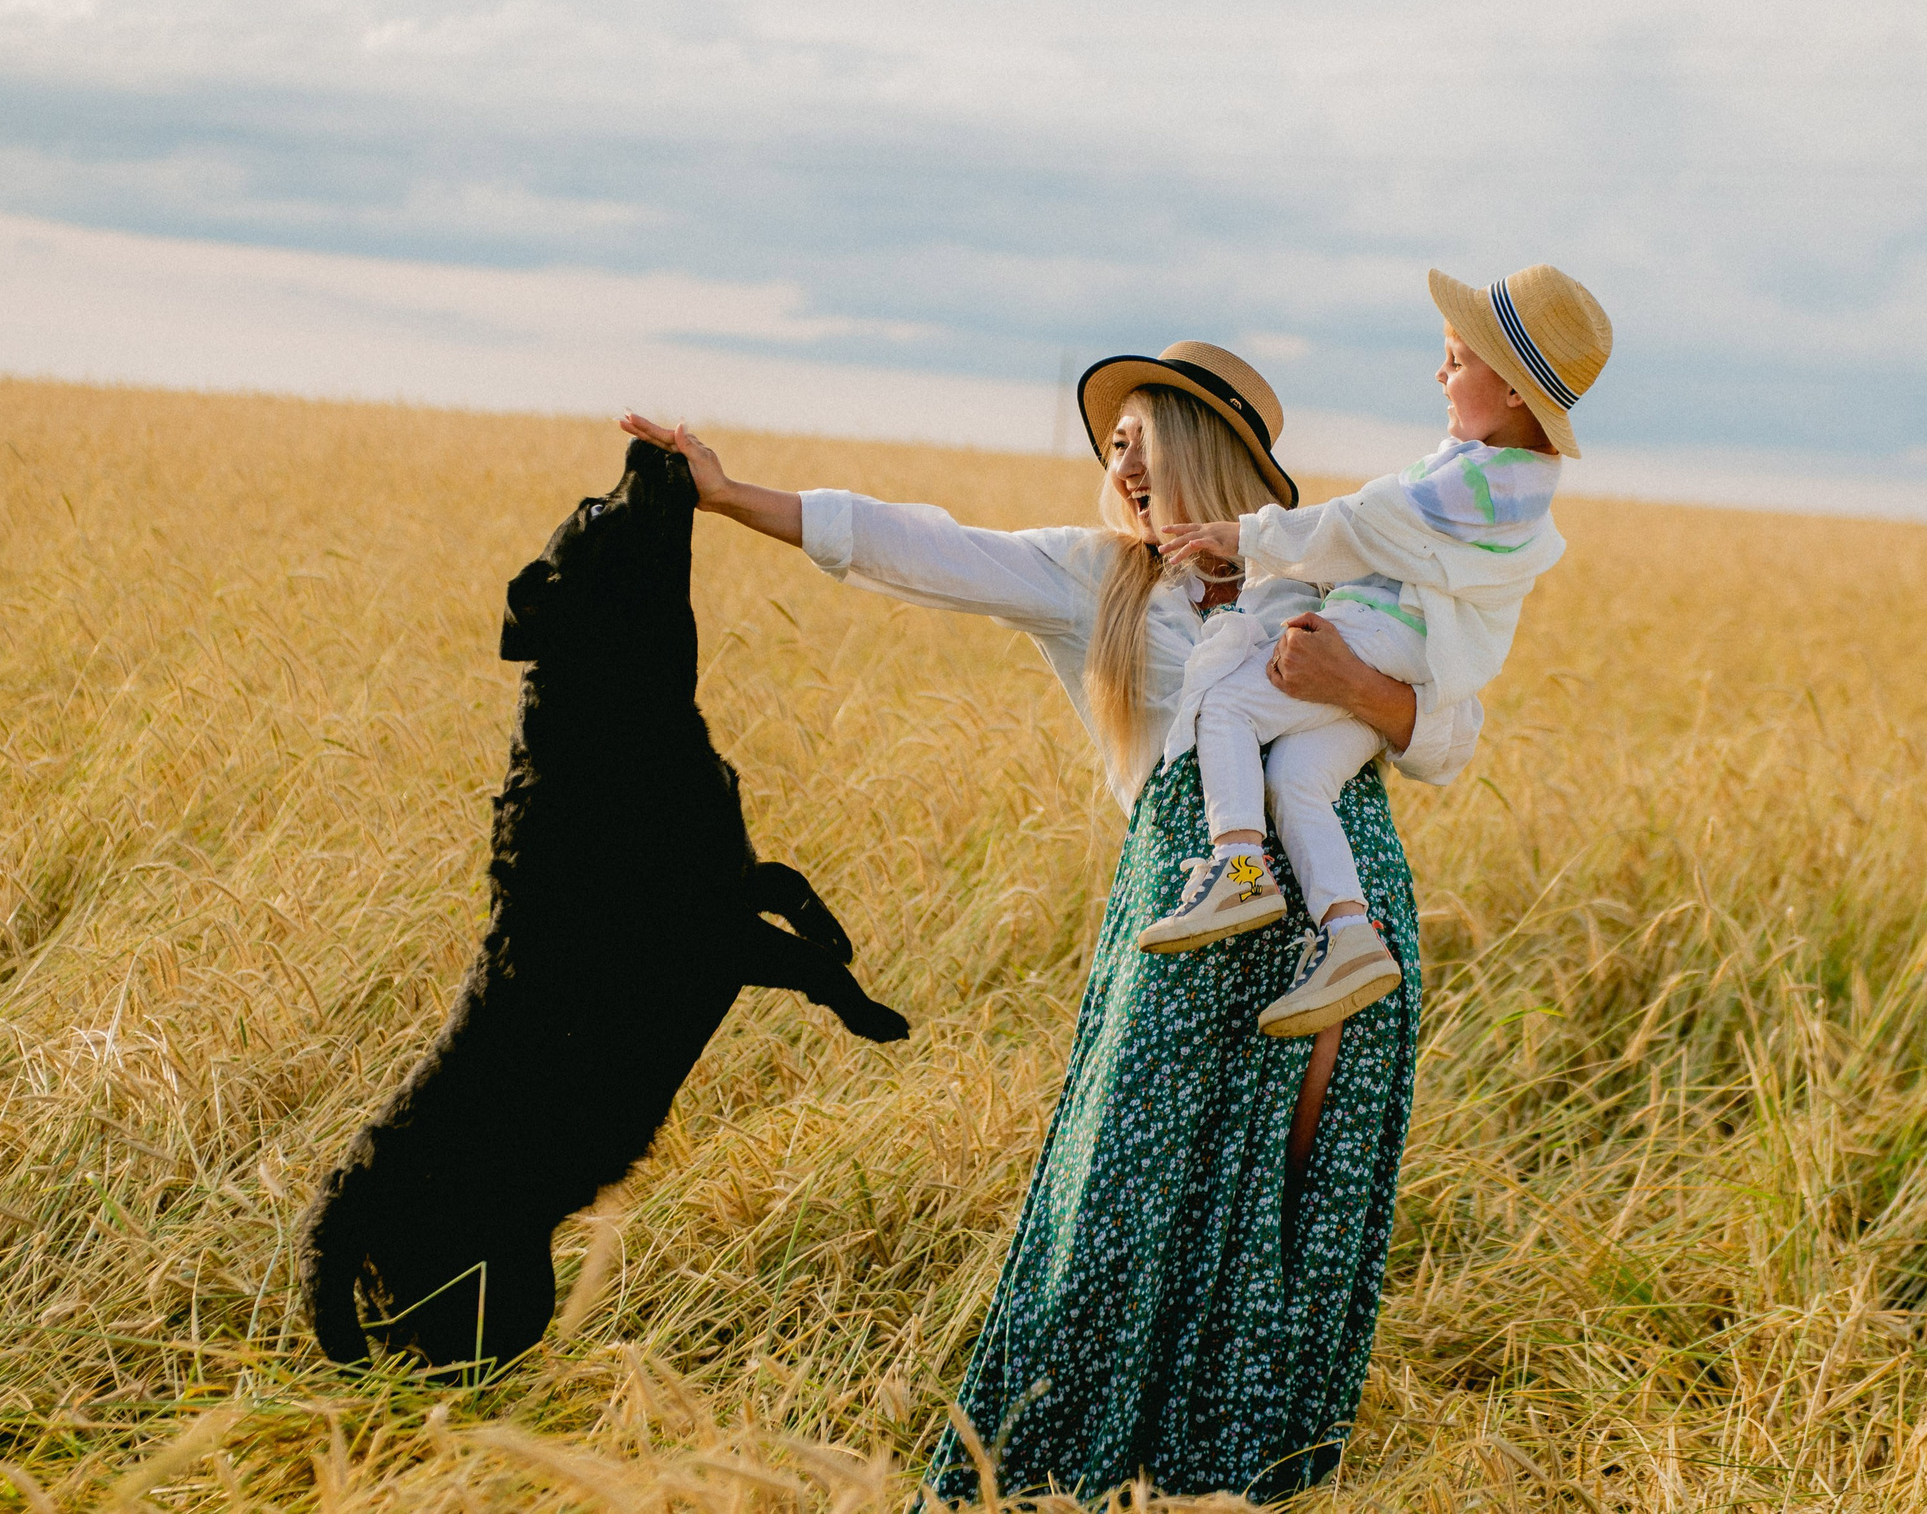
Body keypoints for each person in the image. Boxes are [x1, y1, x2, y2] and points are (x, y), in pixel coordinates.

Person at [616, 334, 1490, 1501]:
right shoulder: (1093, 579)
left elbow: (1446, 729)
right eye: (1111, 449)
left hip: (1344, 923)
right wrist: (727, 496)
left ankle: (1231, 1477)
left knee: (1289, 1208)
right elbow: (916, 543)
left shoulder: (1315, 570)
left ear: (1202, 452)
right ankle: (1043, 1479)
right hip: (1190, 921)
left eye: (1140, 444)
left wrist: (1355, 690)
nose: (1121, 468)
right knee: (1117, 1211)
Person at [1136, 265, 1611, 1046]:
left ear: (1518, 391)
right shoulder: (1517, 481)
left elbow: (1360, 522)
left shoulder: (1478, 481)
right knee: (1298, 776)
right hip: (1407, 659)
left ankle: (1237, 865)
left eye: (1457, 360)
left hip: (1383, 636)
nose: (1440, 373)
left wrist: (1244, 534)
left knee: (1225, 704)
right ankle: (1349, 933)